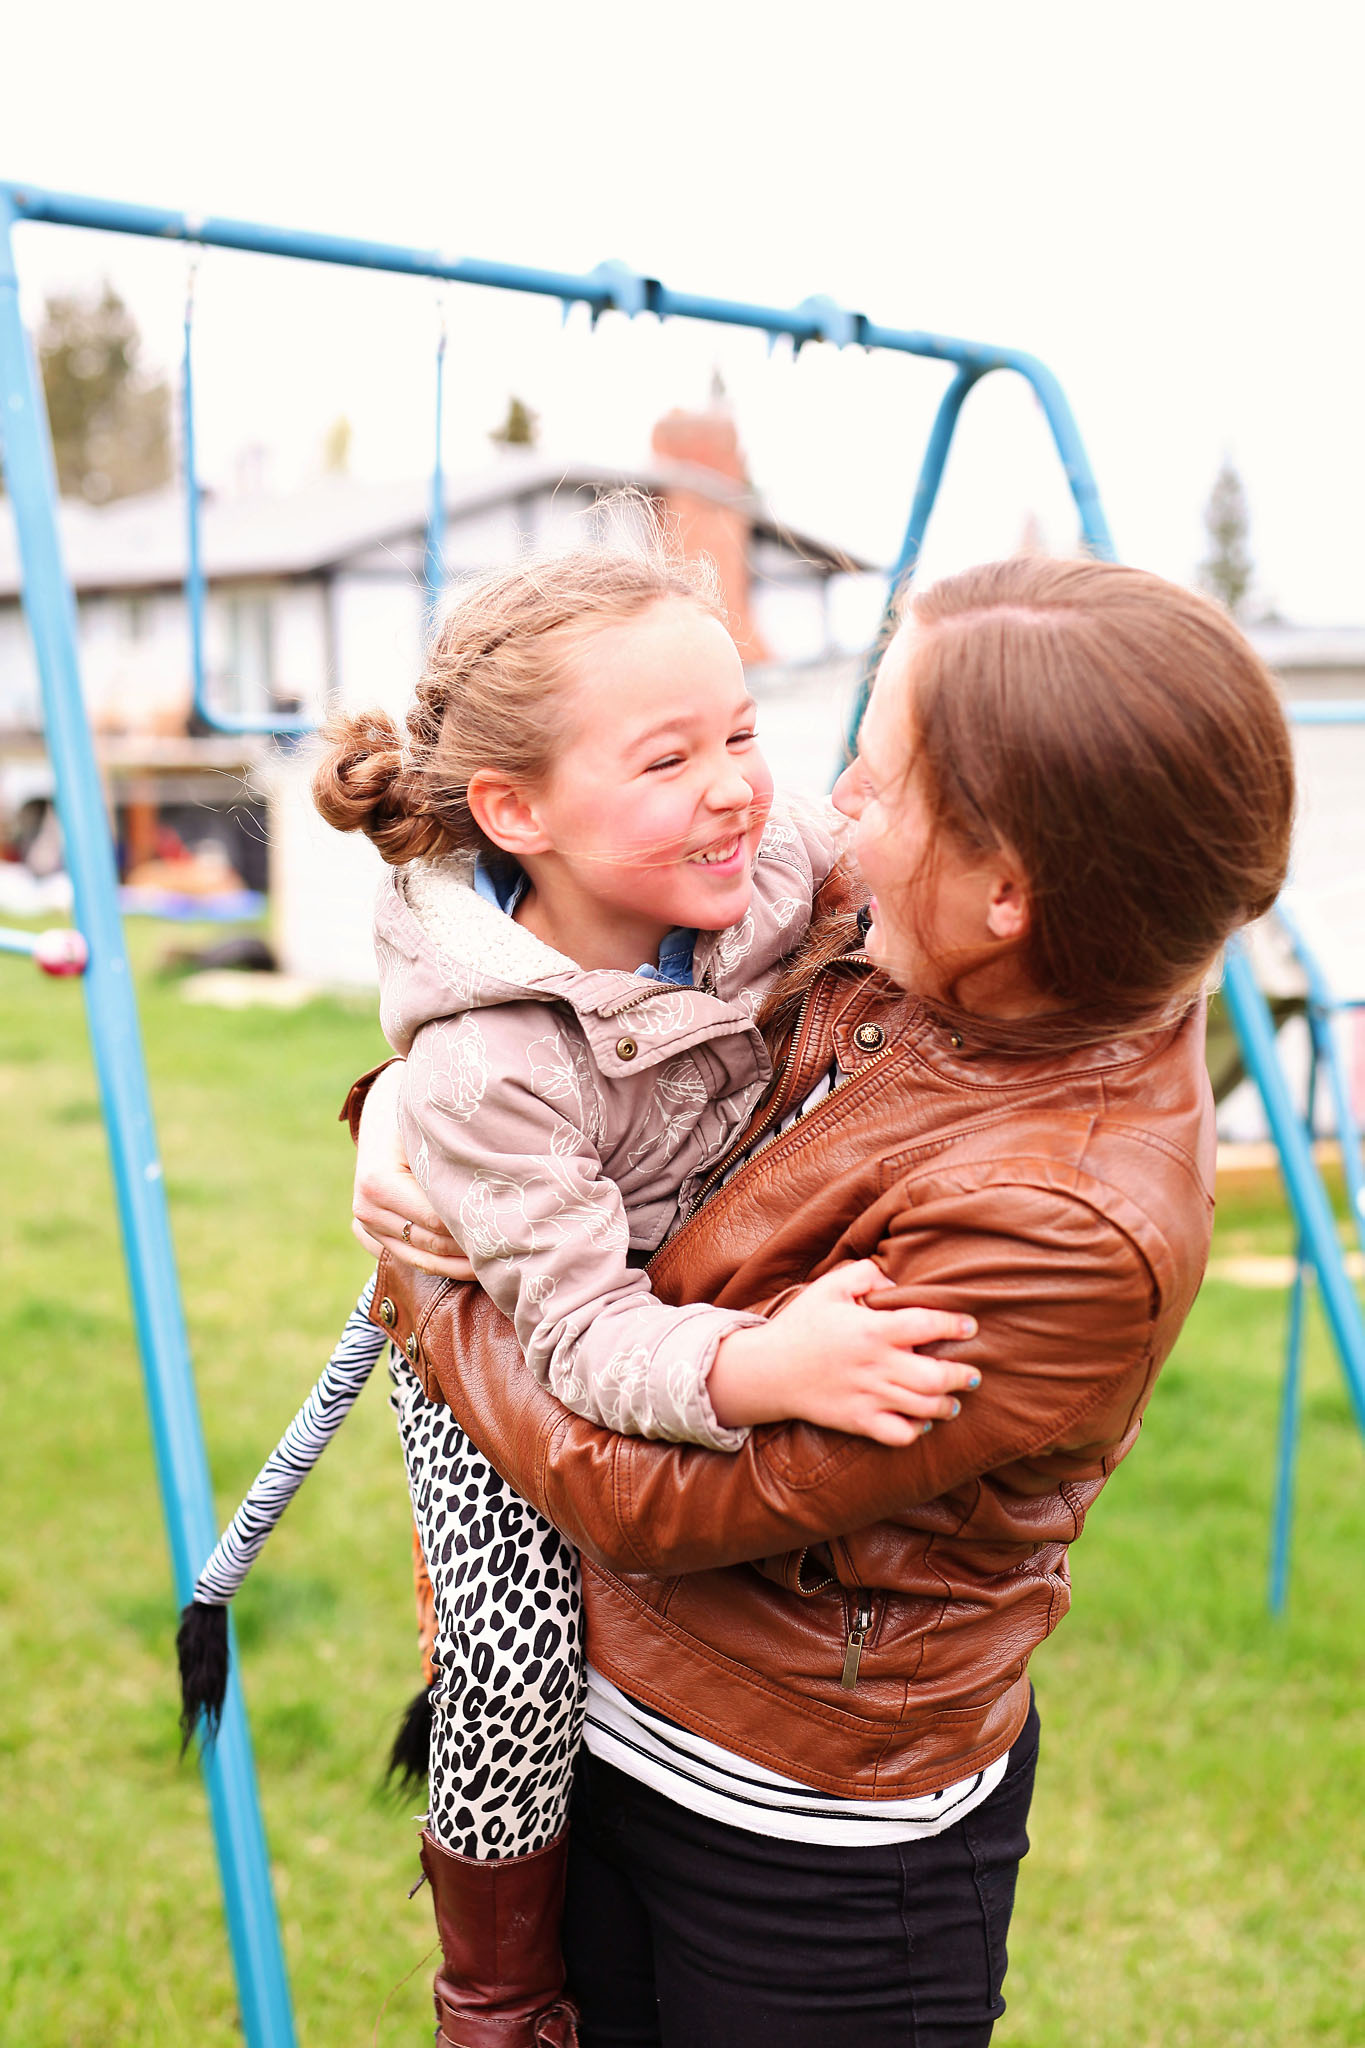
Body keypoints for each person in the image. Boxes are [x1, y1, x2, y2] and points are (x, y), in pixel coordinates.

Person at [350, 553, 1295, 2048]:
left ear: (1008, 892)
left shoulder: (1063, 1221)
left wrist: (429, 1272)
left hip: (797, 1837)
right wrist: (422, 1102)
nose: (825, 800)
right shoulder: (922, 935)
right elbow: (567, 1026)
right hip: (617, 1717)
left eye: (886, 772)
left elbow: (640, 1498)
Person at [312, 538, 979, 2046]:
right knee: (512, 1658)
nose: (735, 786)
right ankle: (495, 1998)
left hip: (676, 1288)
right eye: (670, 759)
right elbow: (579, 1338)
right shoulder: (490, 1061)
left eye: (740, 731)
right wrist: (762, 1369)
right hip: (514, 1347)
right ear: (516, 813)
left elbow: (903, 871)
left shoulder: (768, 863)